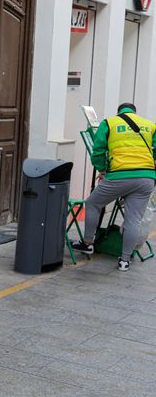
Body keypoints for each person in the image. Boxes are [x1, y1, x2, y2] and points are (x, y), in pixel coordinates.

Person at [71, 103, 156, 271]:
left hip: (119, 175)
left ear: (119, 112)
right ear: (134, 113)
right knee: (133, 220)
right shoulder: (150, 125)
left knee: (93, 203)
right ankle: (124, 261)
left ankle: (87, 243)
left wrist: (102, 169)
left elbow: (98, 150)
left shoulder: (109, 123)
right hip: (146, 178)